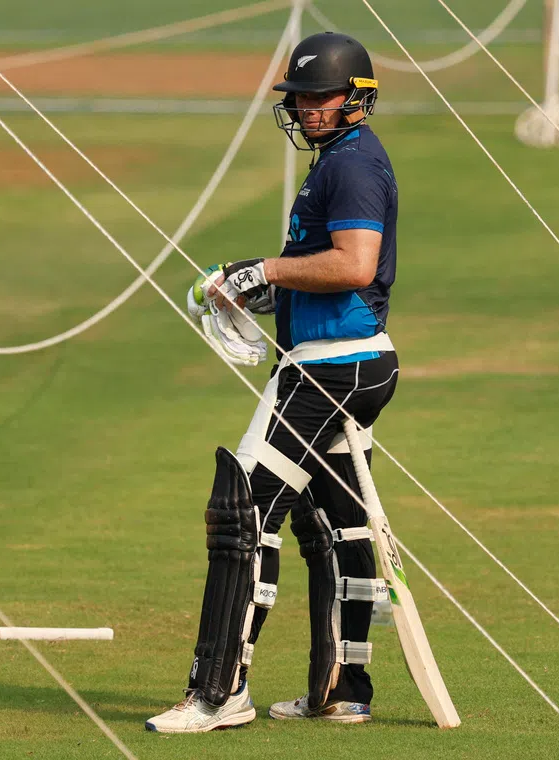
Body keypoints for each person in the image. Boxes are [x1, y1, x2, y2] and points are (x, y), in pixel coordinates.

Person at [145, 31, 401, 734]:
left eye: (319, 97)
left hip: (331, 369)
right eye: (299, 98)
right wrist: (252, 291)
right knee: (336, 522)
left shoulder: (351, 167)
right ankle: (343, 689)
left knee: (245, 511)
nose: (306, 109)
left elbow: (352, 265)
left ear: (356, 99)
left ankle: (218, 692)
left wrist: (263, 268)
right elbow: (327, 273)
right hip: (349, 361)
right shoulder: (339, 162)